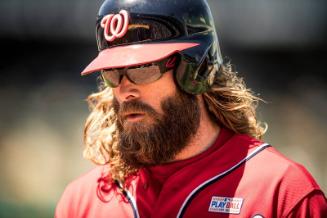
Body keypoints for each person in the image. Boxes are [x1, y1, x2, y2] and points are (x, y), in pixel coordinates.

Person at [55, 0, 327, 217]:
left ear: (195, 70)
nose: (125, 90)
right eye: (113, 72)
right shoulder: (82, 202)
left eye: (142, 68)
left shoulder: (281, 193)